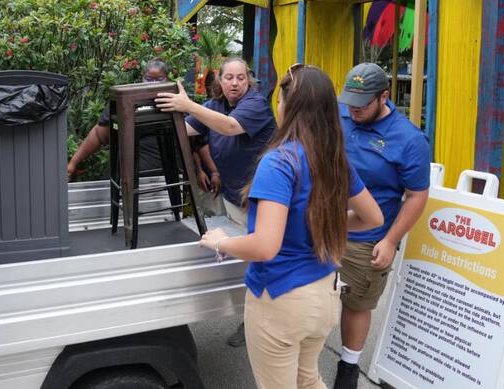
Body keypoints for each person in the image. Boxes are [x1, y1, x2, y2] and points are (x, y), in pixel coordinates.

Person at [197, 64, 383, 389]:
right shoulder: (333, 157)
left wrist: (220, 242)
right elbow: (373, 218)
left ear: (289, 107)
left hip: (281, 299)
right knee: (307, 380)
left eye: (280, 101)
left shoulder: (279, 161)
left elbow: (264, 246)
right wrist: (320, 223)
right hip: (324, 294)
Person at [155, 56, 276, 347]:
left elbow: (231, 127)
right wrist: (151, 115)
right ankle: (254, 315)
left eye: (241, 78)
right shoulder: (214, 106)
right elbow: (185, 129)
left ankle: (262, 322)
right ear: (219, 81)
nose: (235, 83)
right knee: (249, 260)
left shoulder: (256, 104)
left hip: (263, 200)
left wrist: (188, 105)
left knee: (265, 259)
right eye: (229, 78)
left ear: (249, 80)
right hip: (234, 196)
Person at [333, 62, 431, 389]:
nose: (354, 110)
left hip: (366, 236)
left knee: (356, 302)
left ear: (384, 97)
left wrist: (391, 240)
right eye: (350, 102)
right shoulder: (341, 114)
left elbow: (416, 196)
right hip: (324, 226)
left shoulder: (409, 140)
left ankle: (348, 367)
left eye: (362, 104)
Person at [67, 59, 217, 183]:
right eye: (149, 79)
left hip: (169, 181)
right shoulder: (125, 102)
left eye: (159, 79)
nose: (153, 84)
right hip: (127, 179)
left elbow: (197, 143)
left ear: (168, 79)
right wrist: (73, 164)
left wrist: (210, 171)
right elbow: (99, 135)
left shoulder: (180, 103)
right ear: (142, 78)